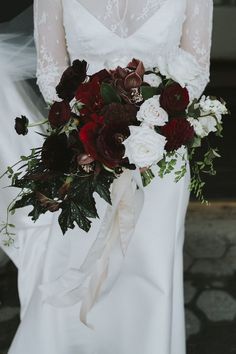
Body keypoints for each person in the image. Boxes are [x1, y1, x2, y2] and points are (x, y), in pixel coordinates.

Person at [0, 0, 213, 353]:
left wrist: (149, 124)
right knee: (74, 258)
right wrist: (94, 127)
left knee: (150, 273)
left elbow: (197, 71)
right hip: (84, 153)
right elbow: (52, 75)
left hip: (160, 158)